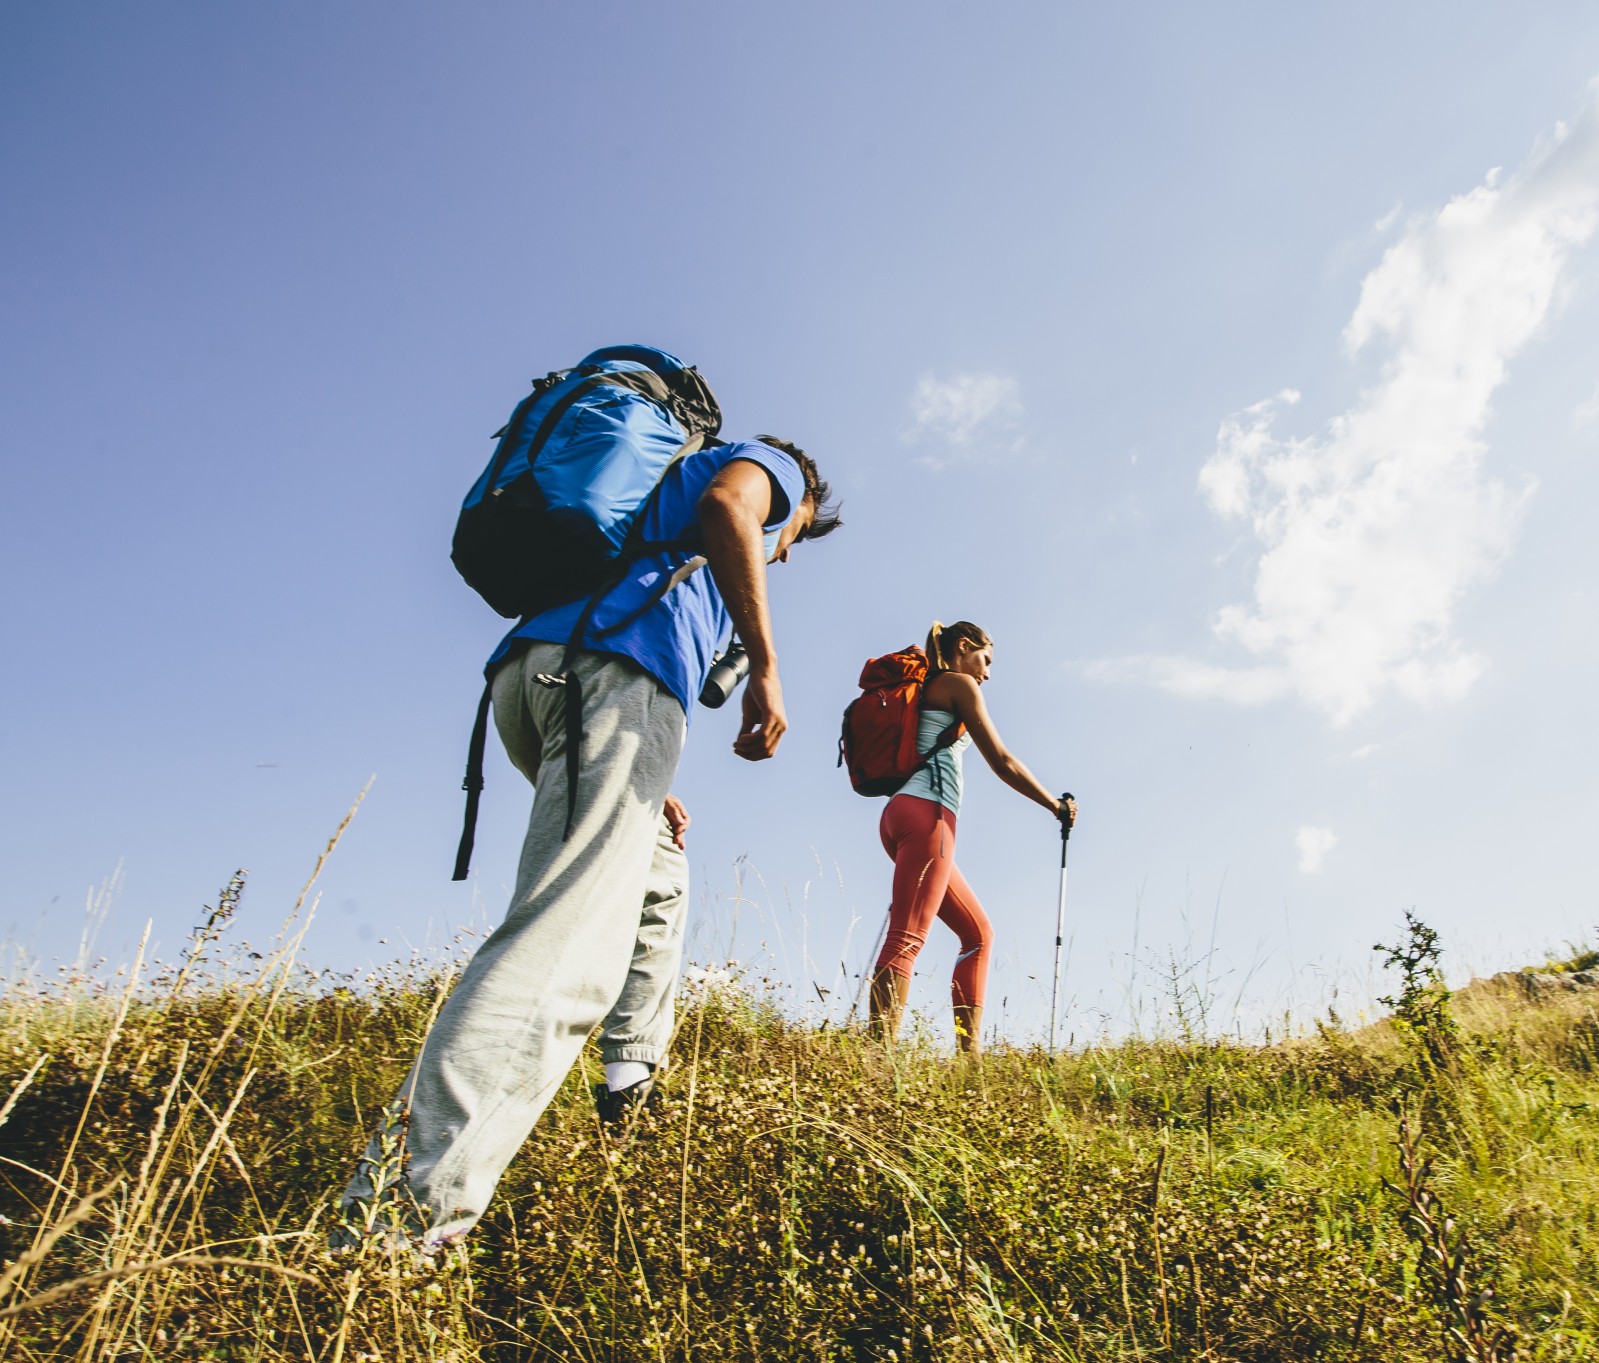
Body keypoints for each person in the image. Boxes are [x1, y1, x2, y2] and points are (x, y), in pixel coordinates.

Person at [338, 434, 838, 1250]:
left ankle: (630, 1076)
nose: (780, 552)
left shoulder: (658, 482)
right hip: (612, 674)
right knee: (566, 947)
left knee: (658, 869)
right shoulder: (766, 470)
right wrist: (770, 666)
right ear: (802, 502)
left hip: (542, 680)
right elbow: (729, 510)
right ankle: (391, 1235)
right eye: (792, 540)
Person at [869, 621, 1075, 1053]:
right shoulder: (957, 684)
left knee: (978, 934)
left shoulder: (926, 686)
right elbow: (1002, 761)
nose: (987, 673)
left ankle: (969, 1060)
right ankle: (877, 1058)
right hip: (929, 816)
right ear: (965, 647)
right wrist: (1054, 805)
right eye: (986, 659)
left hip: (898, 815)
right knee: (907, 936)